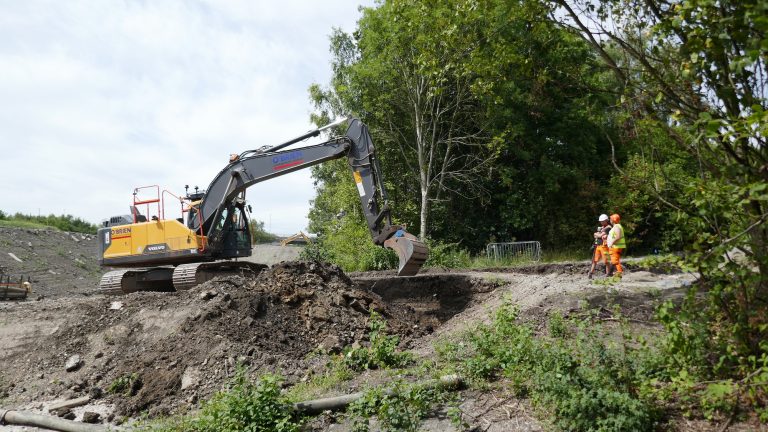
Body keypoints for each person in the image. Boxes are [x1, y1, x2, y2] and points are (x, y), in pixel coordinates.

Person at [588, 214, 612, 279]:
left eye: (602, 221)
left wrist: (597, 234)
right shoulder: (602, 227)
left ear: (606, 220)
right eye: (600, 221)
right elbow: (597, 235)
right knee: (594, 260)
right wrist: (597, 234)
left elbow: (598, 235)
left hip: (605, 246)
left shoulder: (608, 227)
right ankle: (590, 273)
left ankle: (608, 274)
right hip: (598, 245)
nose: (601, 222)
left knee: (606, 261)